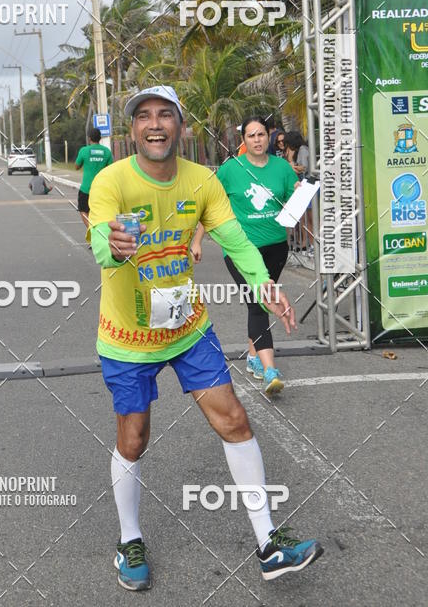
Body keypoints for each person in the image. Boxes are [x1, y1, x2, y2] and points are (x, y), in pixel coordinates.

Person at [88, 85, 322, 592]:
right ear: (133, 129)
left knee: (234, 419)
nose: (155, 124)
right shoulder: (112, 180)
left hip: (189, 329)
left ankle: (269, 545)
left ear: (180, 125)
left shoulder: (202, 180)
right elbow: (101, 242)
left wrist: (264, 284)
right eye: (144, 116)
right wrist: (114, 244)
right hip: (128, 337)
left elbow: (234, 238)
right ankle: (130, 539)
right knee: (133, 440)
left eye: (164, 115)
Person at [193, 116, 299, 394]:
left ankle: (253, 356)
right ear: (243, 140)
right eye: (251, 135)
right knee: (257, 303)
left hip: (277, 247)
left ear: (268, 136)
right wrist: (197, 240)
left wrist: (299, 194)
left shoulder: (282, 168)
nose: (257, 140)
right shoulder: (231, 169)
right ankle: (270, 369)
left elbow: (293, 205)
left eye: (261, 134)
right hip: (240, 250)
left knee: (263, 301)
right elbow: (210, 206)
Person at [75, 127, 113, 229]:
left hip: (86, 189)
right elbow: (111, 169)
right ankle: (99, 232)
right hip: (102, 189)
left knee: (83, 210)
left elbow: (76, 166)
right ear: (100, 138)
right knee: (101, 213)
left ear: (89, 138)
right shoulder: (107, 151)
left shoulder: (84, 150)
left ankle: (92, 231)